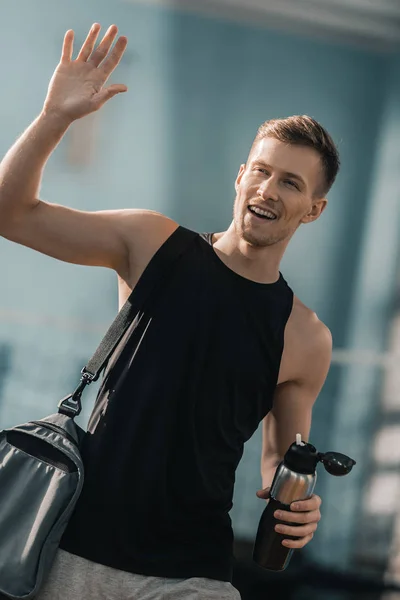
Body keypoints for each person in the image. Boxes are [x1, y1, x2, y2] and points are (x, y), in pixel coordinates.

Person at [0, 23, 337, 600]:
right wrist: (55, 116)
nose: (268, 189)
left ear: (313, 209)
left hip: (191, 573)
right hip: (73, 549)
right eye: (260, 170)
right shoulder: (153, 243)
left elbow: (284, 459)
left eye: (290, 182)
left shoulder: (304, 336)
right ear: (240, 176)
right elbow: (12, 214)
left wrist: (301, 507)